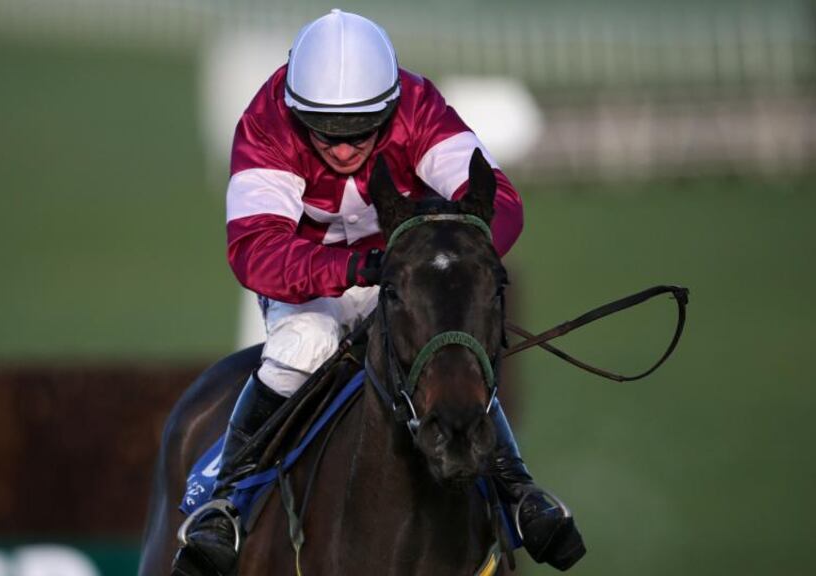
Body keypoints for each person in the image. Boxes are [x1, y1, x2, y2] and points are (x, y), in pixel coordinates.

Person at [173, 9, 585, 575]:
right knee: (305, 343)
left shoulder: (418, 106)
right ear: (297, 112)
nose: (342, 150)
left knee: (446, 342)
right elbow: (255, 252)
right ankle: (227, 500)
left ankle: (517, 492)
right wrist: (359, 266)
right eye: (326, 133)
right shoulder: (268, 122)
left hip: (400, 267)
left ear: (390, 106)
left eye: (360, 132)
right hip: (306, 278)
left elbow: (500, 205)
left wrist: (434, 258)